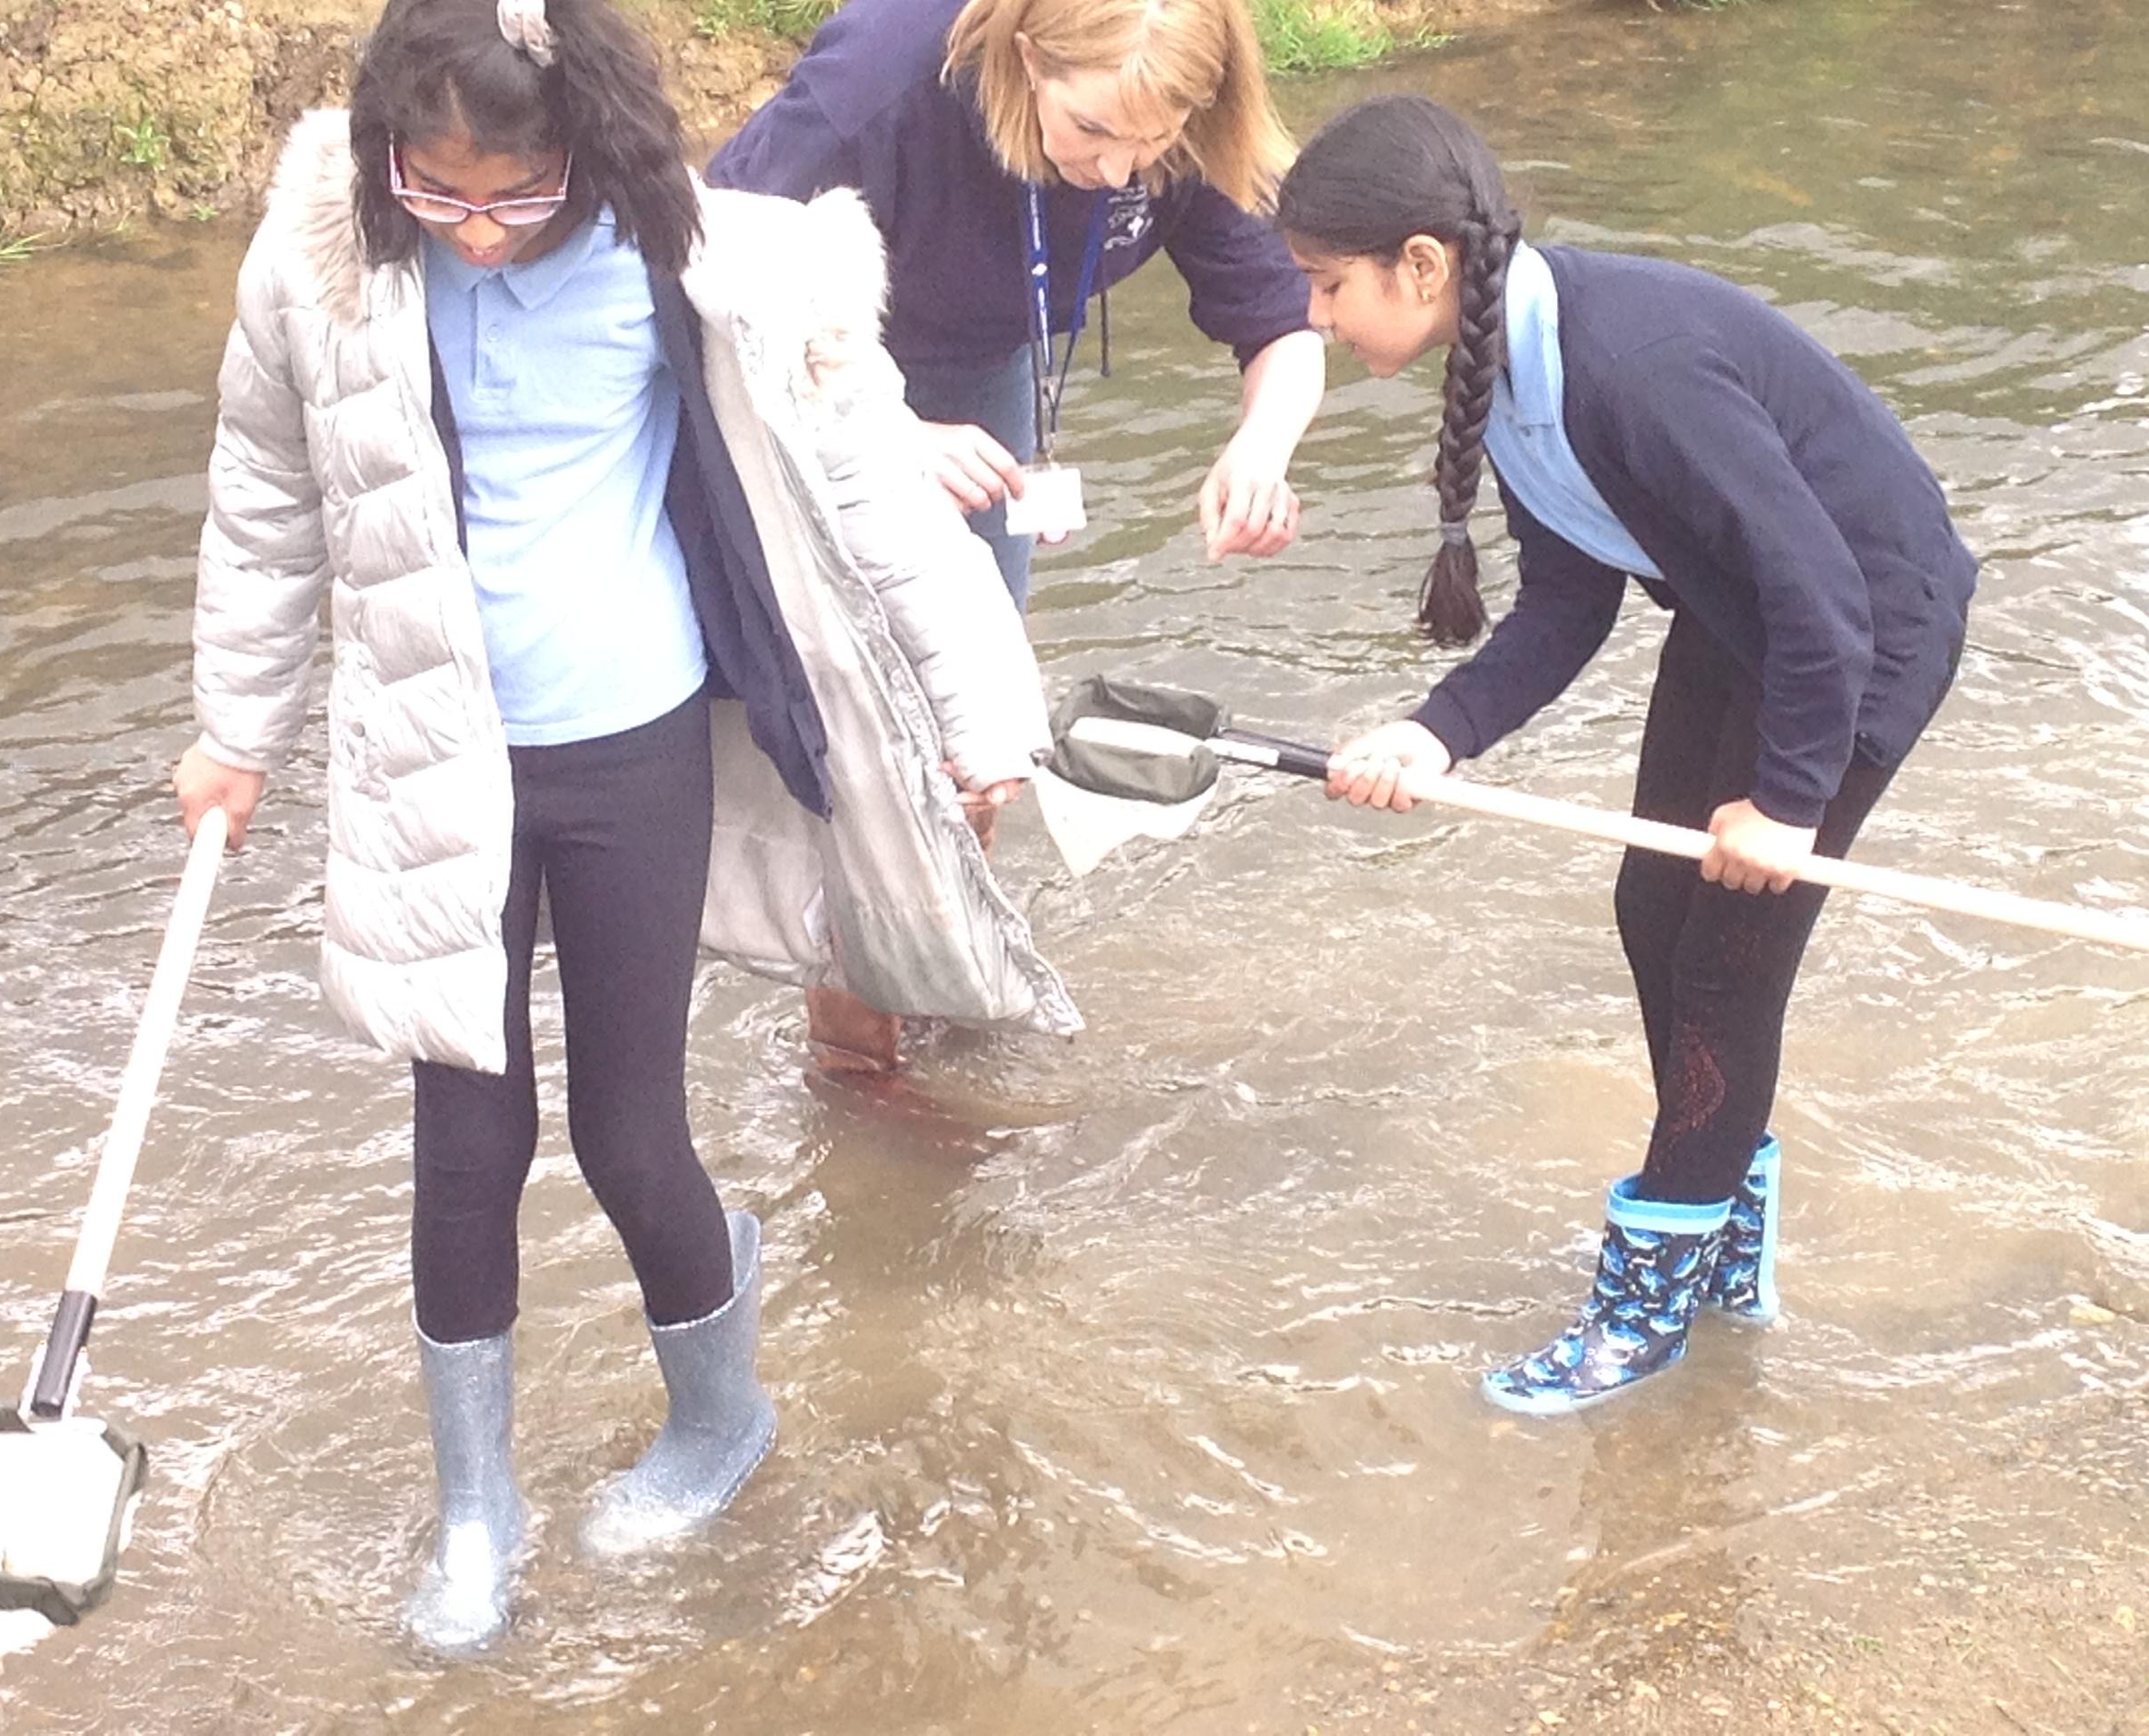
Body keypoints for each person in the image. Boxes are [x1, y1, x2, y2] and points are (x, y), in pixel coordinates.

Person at [171, 0, 1064, 1650]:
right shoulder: (325, 266)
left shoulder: (710, 266)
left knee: (626, 1133)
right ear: (384, 154)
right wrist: (236, 732)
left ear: (589, 149)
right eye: (437, 192)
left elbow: (868, 495)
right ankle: (475, 1507)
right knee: (464, 1142)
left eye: (515, 195)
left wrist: (976, 714)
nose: (477, 231)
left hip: (631, 747)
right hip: (433, 755)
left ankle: (721, 1419)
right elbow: (268, 496)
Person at [1278, 96, 1978, 1417]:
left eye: (1326, 284)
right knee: (1653, 903)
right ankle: (1720, 1245)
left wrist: (1788, 801)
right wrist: (1435, 734)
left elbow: (1825, 594)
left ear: (1420, 264)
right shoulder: (1504, 372)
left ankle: (1645, 1310)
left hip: (1861, 632)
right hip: (1743, 612)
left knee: (1727, 954)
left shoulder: (1632, 365)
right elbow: (1567, 599)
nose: (1314, 316)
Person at [705, 0, 1327, 609]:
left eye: (1155, 140)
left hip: (986, 357)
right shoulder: (875, 83)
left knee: (981, 628)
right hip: (810, 364)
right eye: (1092, 129)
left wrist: (1261, 449)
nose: (1117, 172)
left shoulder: (1190, 123)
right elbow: (711, 282)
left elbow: (1285, 319)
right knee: (802, 621)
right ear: (1029, 59)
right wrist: (887, 434)